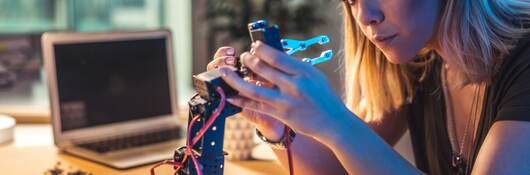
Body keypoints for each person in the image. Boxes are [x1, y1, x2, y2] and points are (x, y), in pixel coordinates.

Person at [207, 0, 530, 174]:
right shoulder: (421, 58)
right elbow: (340, 169)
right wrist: (274, 124)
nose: (365, 16)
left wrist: (335, 121)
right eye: (351, 0)